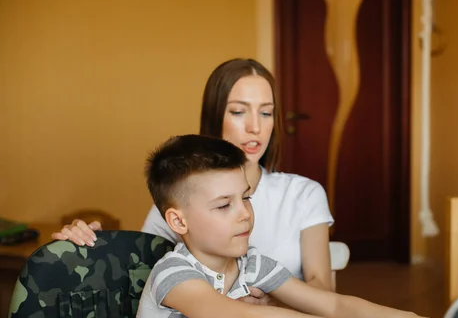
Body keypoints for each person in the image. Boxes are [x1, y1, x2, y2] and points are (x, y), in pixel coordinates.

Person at [132, 134, 458, 318]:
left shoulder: (252, 265)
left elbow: (332, 304)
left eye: (246, 198)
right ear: (178, 222)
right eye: (224, 206)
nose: (244, 214)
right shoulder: (174, 273)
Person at [52, 58, 335, 301]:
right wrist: (89, 245)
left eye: (266, 112)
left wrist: (269, 308)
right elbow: (138, 274)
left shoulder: (304, 194)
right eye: (238, 111)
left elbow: (323, 288)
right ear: (214, 117)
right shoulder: (185, 196)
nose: (255, 127)